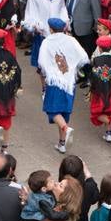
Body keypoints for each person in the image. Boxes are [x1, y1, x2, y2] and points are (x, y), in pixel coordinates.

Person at [38, 17, 90, 153]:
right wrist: (74, 68)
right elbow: (84, 58)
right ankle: (62, 143)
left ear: (50, 29)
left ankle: (66, 130)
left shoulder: (47, 41)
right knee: (64, 114)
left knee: (52, 110)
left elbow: (42, 63)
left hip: (55, 81)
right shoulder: (71, 40)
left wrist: (48, 72)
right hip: (69, 82)